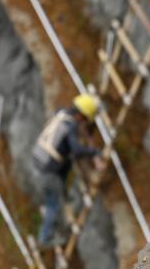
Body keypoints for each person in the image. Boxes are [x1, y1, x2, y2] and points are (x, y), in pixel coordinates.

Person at [32, 94, 102, 247]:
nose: (84, 123)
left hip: (39, 161)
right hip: (48, 170)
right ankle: (46, 237)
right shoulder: (70, 126)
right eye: (85, 119)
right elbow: (76, 150)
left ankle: (52, 213)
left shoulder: (61, 113)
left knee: (57, 187)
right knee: (53, 204)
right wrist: (94, 152)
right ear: (80, 116)